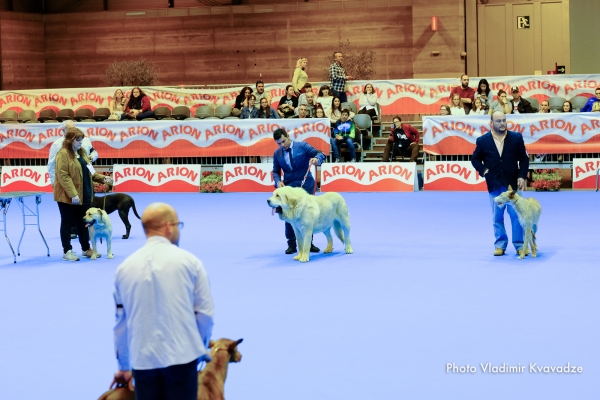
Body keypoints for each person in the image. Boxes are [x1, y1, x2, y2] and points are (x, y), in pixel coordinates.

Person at [111, 202, 215, 400]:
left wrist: (124, 367)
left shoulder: (123, 269)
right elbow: (205, 314)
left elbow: (120, 324)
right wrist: (199, 348)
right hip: (182, 358)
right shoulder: (190, 262)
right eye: (178, 225)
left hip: (143, 361)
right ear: (169, 226)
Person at [471, 111, 529, 257]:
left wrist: (522, 175)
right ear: (491, 123)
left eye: (504, 120)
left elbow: (524, 159)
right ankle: (500, 245)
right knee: (497, 217)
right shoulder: (483, 141)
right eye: (498, 121)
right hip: (494, 184)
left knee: (517, 217)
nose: (502, 123)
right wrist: (484, 170)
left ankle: (520, 245)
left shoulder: (516, 138)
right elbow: (475, 159)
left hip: (513, 185)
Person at [54, 127, 111, 261]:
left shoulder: (83, 153)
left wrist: (104, 178)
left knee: (84, 222)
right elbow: (63, 176)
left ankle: (86, 249)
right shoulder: (62, 154)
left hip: (84, 194)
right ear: (69, 140)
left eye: (81, 139)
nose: (81, 142)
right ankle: (67, 251)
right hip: (67, 196)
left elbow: (91, 172)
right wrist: (73, 194)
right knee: (67, 222)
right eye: (78, 140)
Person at [272, 129, 326, 254]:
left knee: (308, 216)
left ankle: (309, 244)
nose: (282, 145)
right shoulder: (277, 153)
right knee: (288, 216)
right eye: (279, 143)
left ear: (288, 136)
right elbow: (275, 171)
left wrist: (317, 159)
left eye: (284, 141)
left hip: (305, 186)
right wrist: (278, 181)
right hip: (289, 189)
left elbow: (319, 153)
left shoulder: (302, 146)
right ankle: (291, 244)